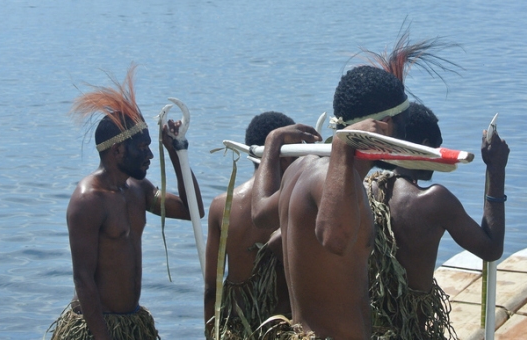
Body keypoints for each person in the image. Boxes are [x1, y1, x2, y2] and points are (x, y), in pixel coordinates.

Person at [252, 64, 411, 340]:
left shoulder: (300, 168)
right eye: (404, 123)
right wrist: (342, 145)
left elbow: (260, 212)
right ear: (382, 126)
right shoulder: (332, 177)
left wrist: (272, 141)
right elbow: (335, 239)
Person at [47, 66, 204, 340]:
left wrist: (176, 151)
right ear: (117, 150)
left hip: (131, 323)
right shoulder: (88, 201)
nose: (151, 155)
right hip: (98, 329)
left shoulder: (138, 190)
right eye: (143, 148)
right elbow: (83, 279)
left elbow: (193, 210)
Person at [365, 103, 508, 340]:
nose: (440, 154)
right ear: (424, 147)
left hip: (368, 328)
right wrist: (496, 169)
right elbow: (491, 249)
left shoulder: (369, 189)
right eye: (436, 146)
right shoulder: (433, 200)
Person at [204, 111, 297, 340]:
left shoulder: (221, 206)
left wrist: (211, 334)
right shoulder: (296, 203)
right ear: (284, 156)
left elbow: (211, 289)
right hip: (283, 330)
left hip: (235, 332)